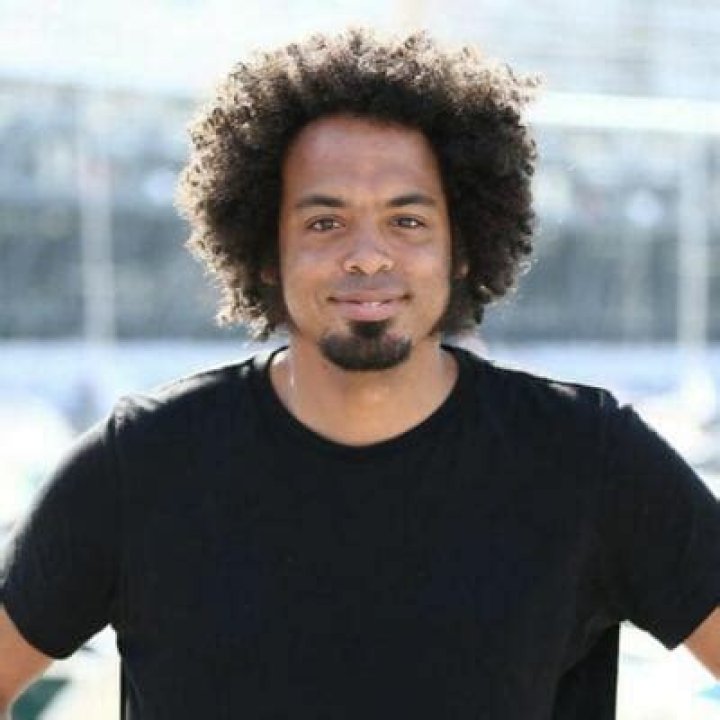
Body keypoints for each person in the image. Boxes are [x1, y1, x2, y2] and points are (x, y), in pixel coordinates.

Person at [1, 27, 719, 720]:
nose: (368, 256)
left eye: (408, 221)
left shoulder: (588, 459)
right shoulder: (140, 465)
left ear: (463, 247)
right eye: (325, 222)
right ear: (266, 251)